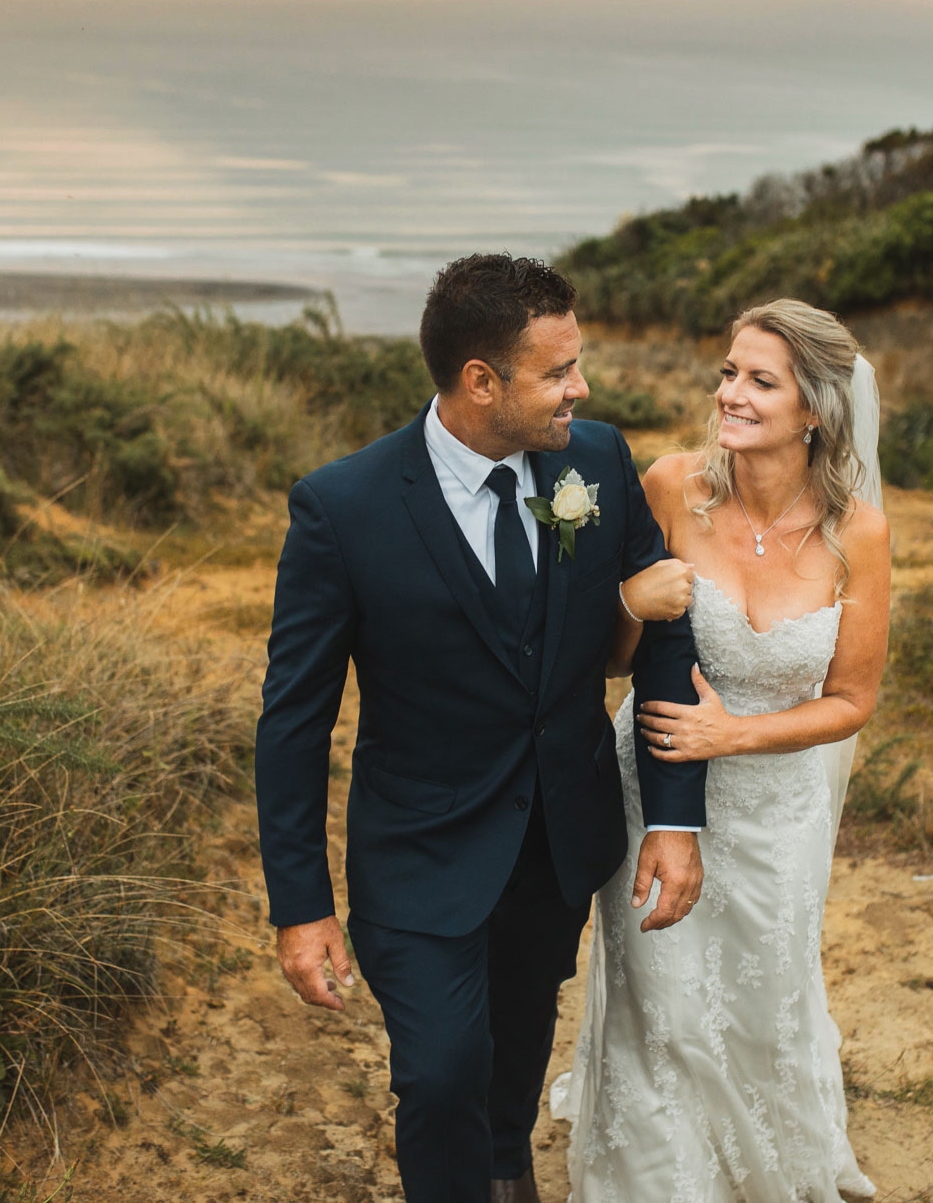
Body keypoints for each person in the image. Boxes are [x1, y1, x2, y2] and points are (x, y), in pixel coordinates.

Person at [254, 253, 710, 1203]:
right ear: (481, 381)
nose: (580, 388)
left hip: (557, 834)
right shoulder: (344, 508)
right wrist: (300, 907)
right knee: (440, 1072)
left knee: (516, 1038)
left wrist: (675, 817)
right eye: (558, 372)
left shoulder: (596, 461)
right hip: (417, 844)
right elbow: (294, 721)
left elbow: (663, 631)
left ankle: (508, 1165)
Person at [553, 299, 892, 1202]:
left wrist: (738, 734)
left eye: (759, 381)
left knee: (764, 997)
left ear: (815, 408)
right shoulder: (668, 485)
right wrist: (632, 602)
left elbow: (853, 699)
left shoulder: (857, 531)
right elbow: (618, 656)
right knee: (657, 1000)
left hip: (777, 805)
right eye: (728, 373)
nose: (730, 395)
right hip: (656, 778)